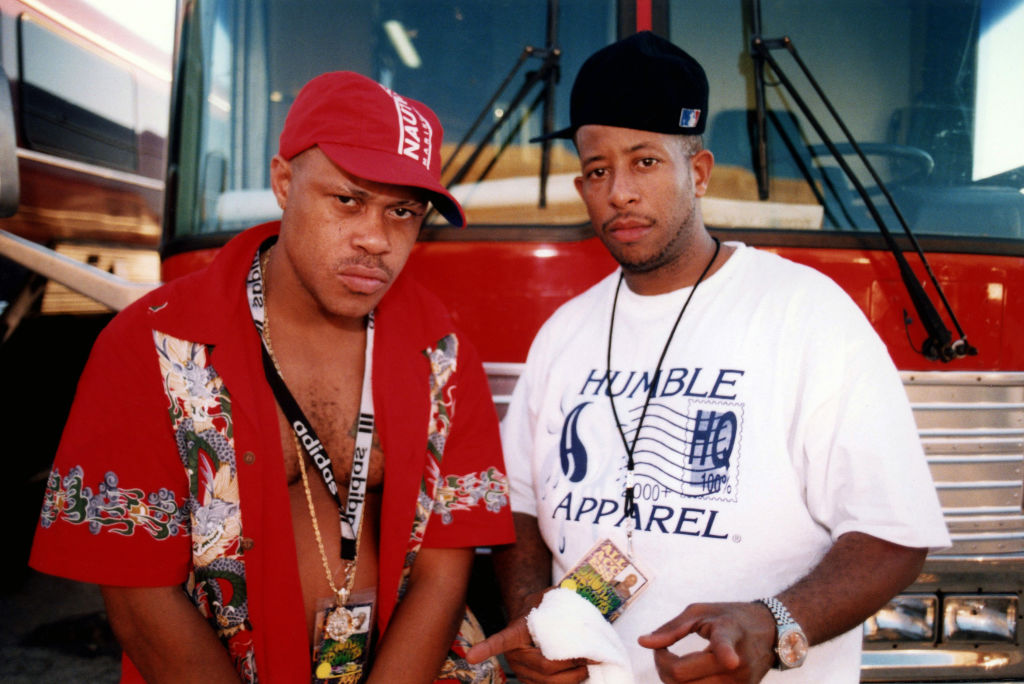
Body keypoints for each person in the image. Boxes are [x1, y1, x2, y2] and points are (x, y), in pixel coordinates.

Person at [466, 32, 950, 683]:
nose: (619, 193)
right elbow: (518, 503)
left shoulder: (806, 314)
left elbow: (893, 534)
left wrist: (776, 623)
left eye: (645, 162)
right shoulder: (565, 332)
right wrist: (533, 611)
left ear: (697, 172)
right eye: (598, 169)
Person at [29, 71, 515, 683]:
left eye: (403, 212)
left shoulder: (442, 353)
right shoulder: (153, 344)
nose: (376, 239)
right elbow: (137, 595)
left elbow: (446, 568)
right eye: (348, 200)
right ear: (284, 182)